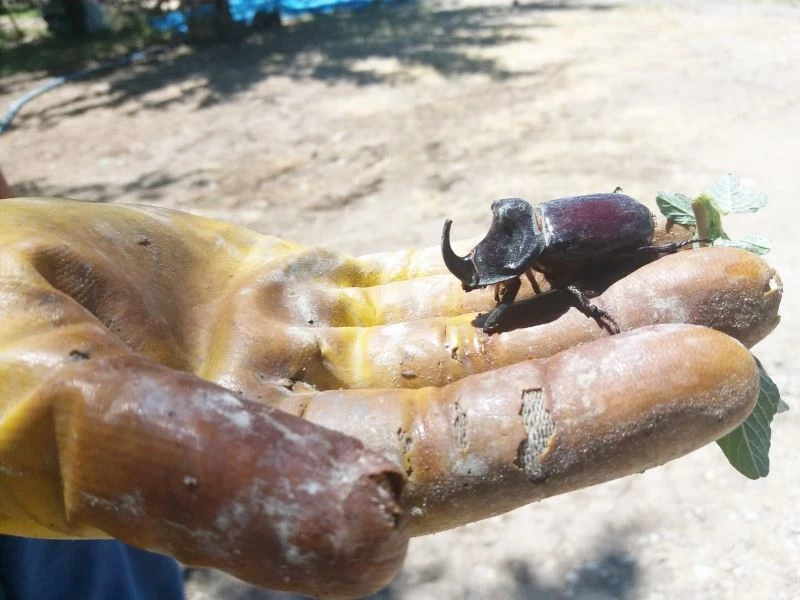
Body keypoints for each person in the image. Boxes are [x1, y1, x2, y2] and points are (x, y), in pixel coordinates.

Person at [0, 185, 781, 597]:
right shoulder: (526, 247)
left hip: (617, 229)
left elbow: (574, 263)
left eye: (489, 273)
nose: (482, 281)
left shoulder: (544, 247)